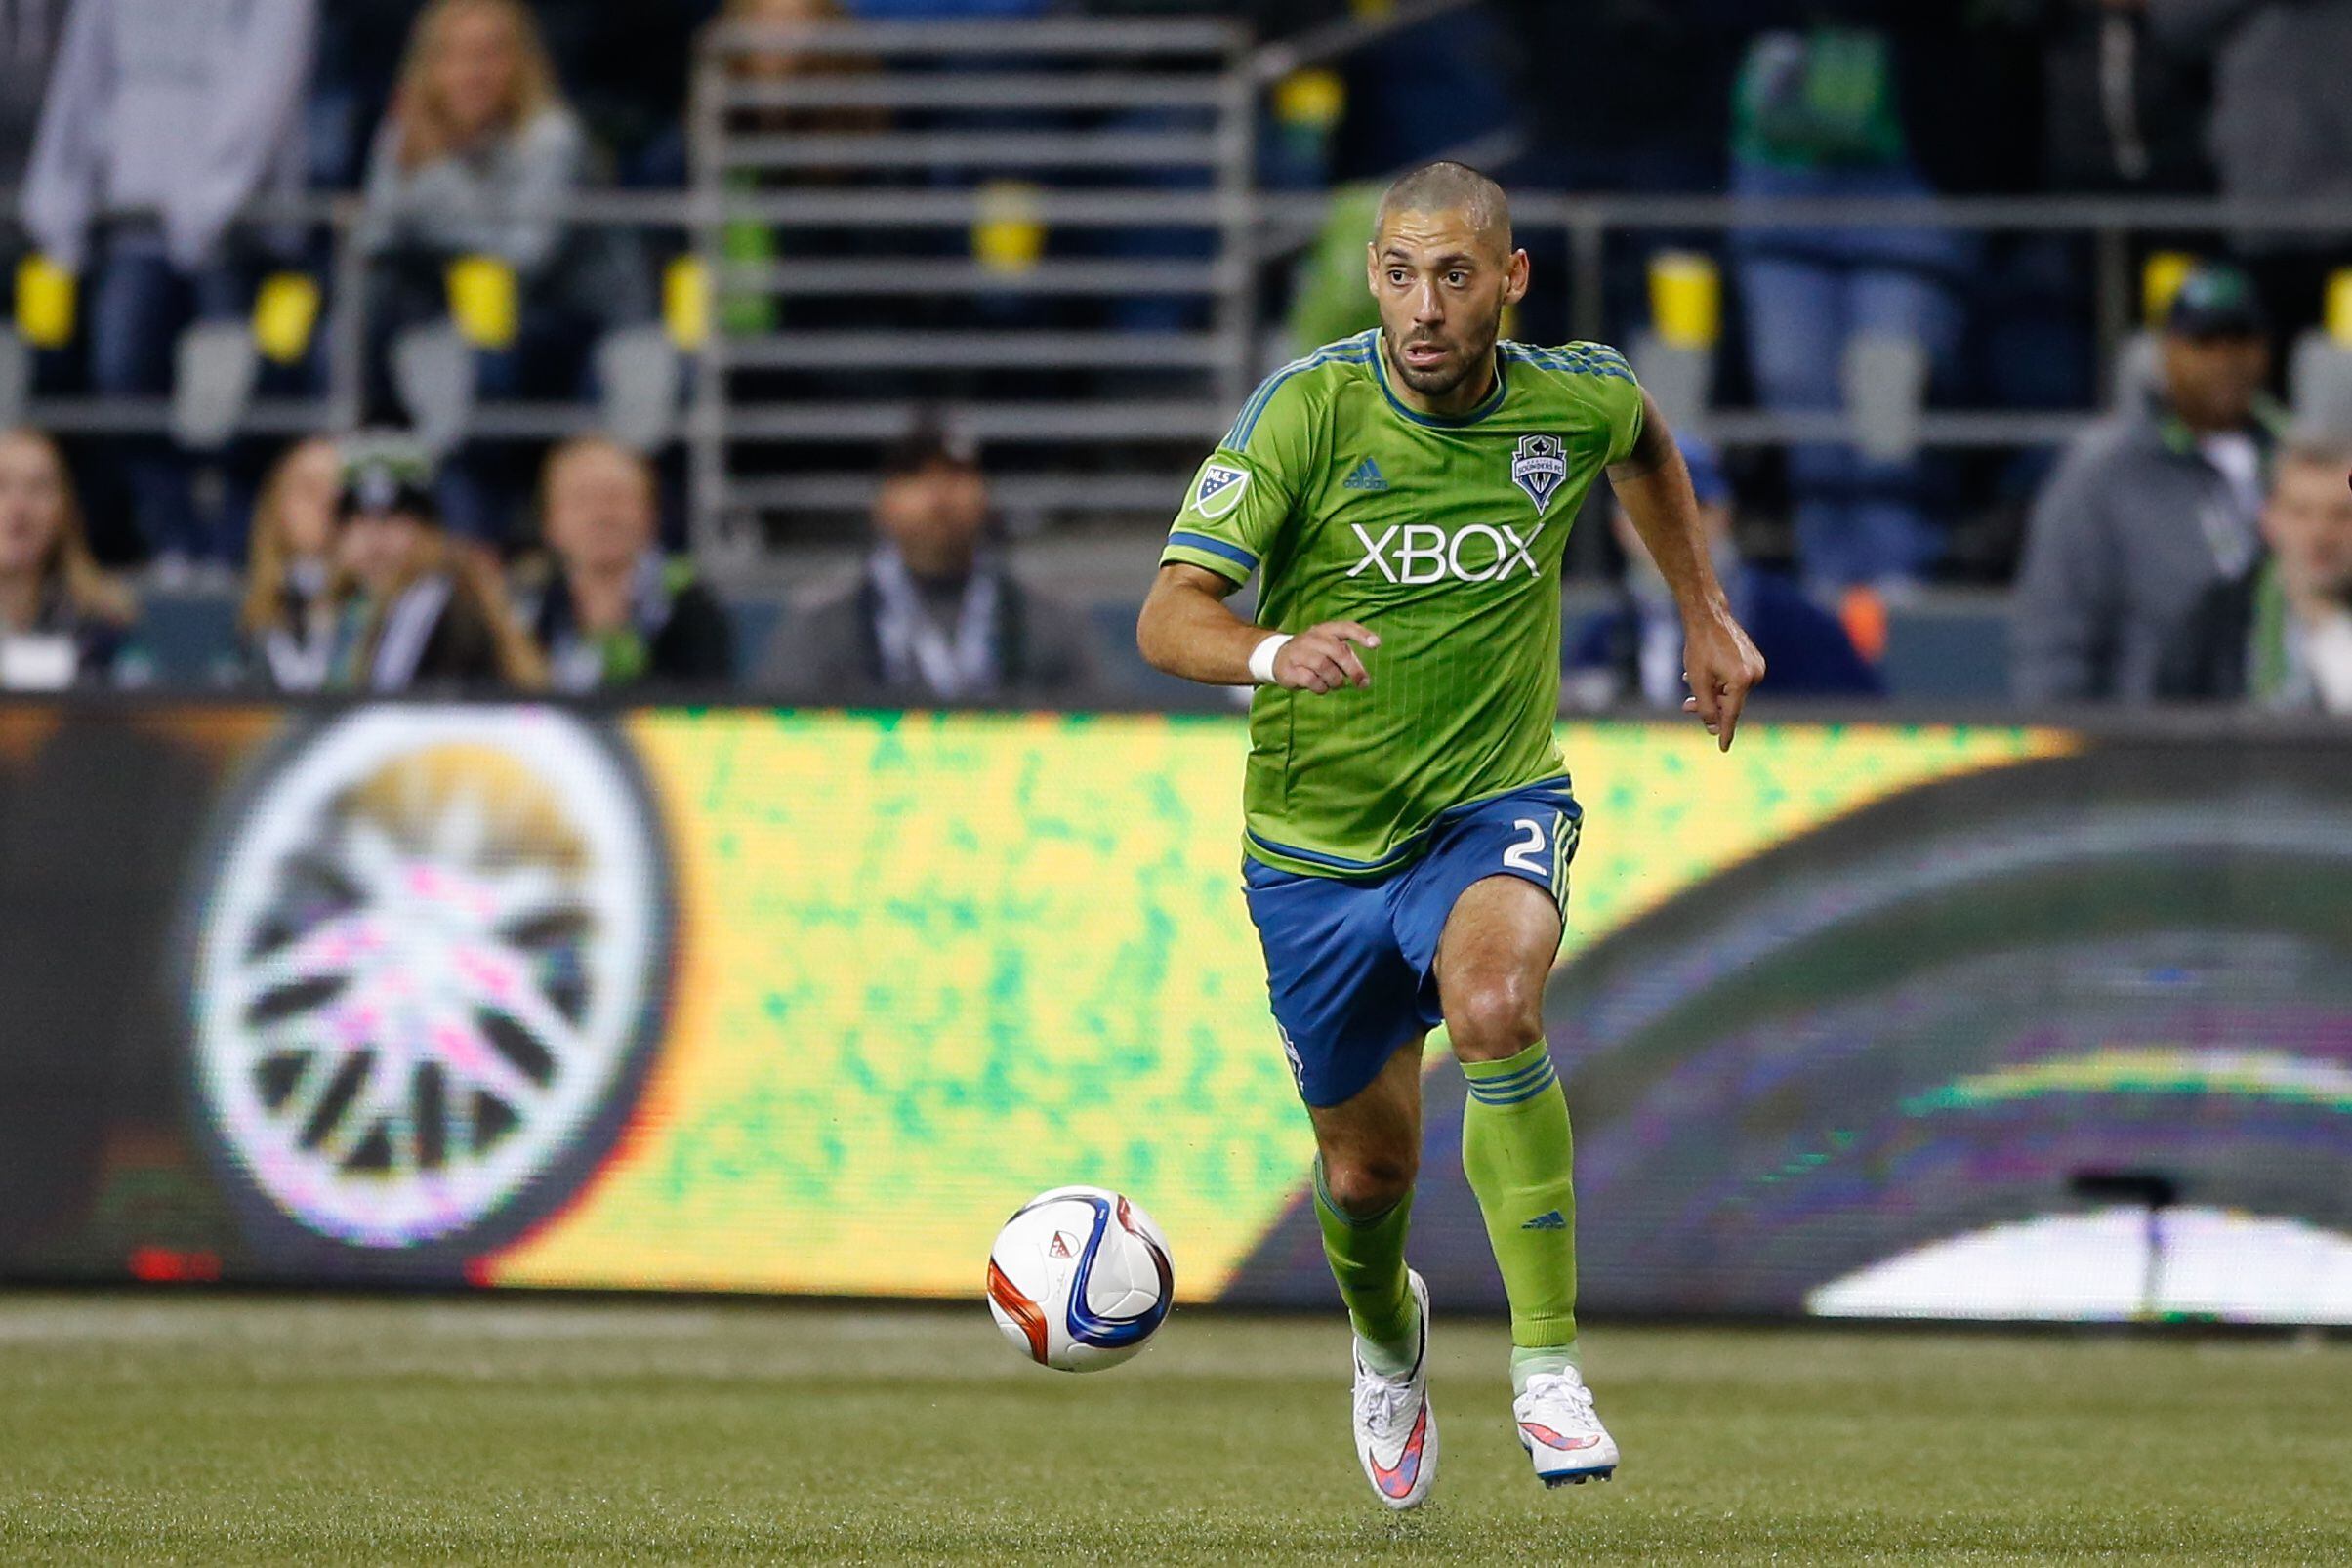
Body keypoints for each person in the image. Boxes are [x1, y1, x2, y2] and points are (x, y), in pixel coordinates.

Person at [1134, 162, 1764, 1506]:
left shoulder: (1566, 395)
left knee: (1493, 1006)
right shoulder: (1306, 411)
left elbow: (1642, 437)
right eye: (1402, 273)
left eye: (1457, 275)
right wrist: (1273, 645)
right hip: (1316, 853)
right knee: (1367, 1168)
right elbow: (1165, 614)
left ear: (1510, 281)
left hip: (1489, 805)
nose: (1426, 305)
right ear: (1374, 276)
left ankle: (1547, 1369)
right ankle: (1383, 1339)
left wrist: (1701, 610)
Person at [20, 0, 320, 573]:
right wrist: (60, 192)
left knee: (235, 404)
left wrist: (212, 198)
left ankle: (232, 549)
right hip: (134, 218)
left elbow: (267, 82)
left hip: (243, 230)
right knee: (122, 379)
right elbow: (83, 81)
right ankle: (172, 540)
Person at [2012, 261, 2282, 705]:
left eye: (2241, 341)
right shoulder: (2103, 472)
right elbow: (2054, 638)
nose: (2225, 360)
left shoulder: (2292, 460)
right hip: (2146, 748)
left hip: (2287, 748)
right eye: (2204, 342)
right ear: (2166, 351)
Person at [356, 0, 597, 407]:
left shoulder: (549, 135)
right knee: (350, 334)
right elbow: (373, 238)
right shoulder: (405, 130)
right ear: (428, 66)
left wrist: (434, 178)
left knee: (480, 342)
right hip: (419, 305)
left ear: (520, 63)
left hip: (524, 313)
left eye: (489, 54)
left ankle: (469, 467)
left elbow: (525, 255)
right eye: (454, 55)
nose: (473, 73)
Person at [759, 423, 1100, 703]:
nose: (939, 495)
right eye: (916, 476)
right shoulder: (825, 616)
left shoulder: (1046, 612)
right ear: (882, 501)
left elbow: (1106, 721)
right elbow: (777, 730)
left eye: (957, 475)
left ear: (986, 496)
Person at [1569, 433, 1880, 708]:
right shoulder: (1604, 637)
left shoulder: (1792, 623)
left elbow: (1867, 724)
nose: (1671, 527)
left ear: (1723, 515)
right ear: (1619, 526)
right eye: (1650, 509)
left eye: (1692, 508)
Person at [516, 436, 735, 692]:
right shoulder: (523, 611)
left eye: (617, 498)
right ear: (550, 520)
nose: (601, 515)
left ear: (650, 514)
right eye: (581, 500)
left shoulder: (692, 606)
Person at [329, 448, 546, 693]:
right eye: (359, 520)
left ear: (431, 531)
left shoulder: (436, 602)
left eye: (395, 519)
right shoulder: (340, 611)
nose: (376, 542)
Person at [2161, 436, 2352, 711]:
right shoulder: (2218, 618)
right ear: (2269, 519)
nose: (2320, 534)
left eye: (2341, 515)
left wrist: (2328, 624)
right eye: (2301, 513)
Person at [0, 428, 137, 688]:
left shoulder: (102, 623)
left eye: (37, 488)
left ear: (64, 510)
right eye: (1, 485)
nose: (18, 507)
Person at [235, 436, 343, 691]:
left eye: (341, 492)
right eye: (309, 489)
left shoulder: (378, 613)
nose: (327, 503)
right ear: (277, 504)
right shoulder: (238, 614)